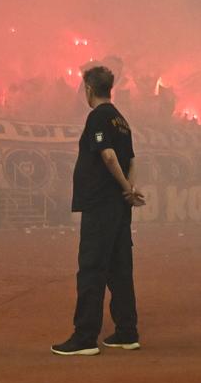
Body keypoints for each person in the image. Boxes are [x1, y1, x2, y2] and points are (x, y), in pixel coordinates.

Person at [52, 63, 144, 356]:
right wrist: (128, 191)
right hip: (117, 208)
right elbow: (131, 159)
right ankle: (126, 332)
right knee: (119, 269)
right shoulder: (121, 120)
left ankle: (85, 337)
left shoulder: (98, 117)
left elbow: (108, 155)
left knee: (91, 268)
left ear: (89, 89)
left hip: (100, 205)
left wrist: (125, 188)